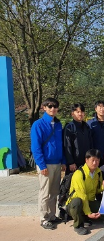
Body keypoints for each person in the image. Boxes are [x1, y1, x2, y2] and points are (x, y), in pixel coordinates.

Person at [30, 97, 66, 230]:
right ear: (44, 107)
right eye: (49, 106)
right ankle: (44, 218)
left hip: (57, 162)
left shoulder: (58, 124)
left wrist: (63, 160)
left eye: (55, 106)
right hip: (45, 163)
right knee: (45, 192)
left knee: (54, 191)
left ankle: (52, 215)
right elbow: (36, 147)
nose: (52, 109)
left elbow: (60, 145)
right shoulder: (38, 124)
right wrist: (42, 164)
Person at [65, 149, 104, 235]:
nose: (95, 163)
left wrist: (103, 187)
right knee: (77, 202)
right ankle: (78, 225)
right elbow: (82, 196)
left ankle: (84, 217)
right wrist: (89, 213)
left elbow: (97, 190)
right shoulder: (79, 174)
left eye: (97, 160)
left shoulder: (98, 173)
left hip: (89, 202)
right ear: (86, 160)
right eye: (92, 160)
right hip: (75, 204)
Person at [63, 103, 93, 174]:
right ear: (72, 114)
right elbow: (67, 146)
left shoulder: (86, 126)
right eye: (78, 112)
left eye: (82, 112)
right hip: (74, 163)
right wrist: (71, 162)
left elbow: (90, 143)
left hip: (86, 161)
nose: (80, 114)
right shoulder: (69, 127)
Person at [87, 100, 104, 166]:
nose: (102, 109)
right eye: (100, 107)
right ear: (96, 109)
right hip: (94, 155)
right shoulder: (90, 123)